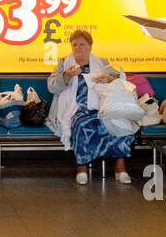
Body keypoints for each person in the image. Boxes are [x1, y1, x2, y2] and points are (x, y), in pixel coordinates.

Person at [46, 29, 133, 185]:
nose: (78, 47)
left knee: (121, 121)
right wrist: (66, 76)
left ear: (90, 46)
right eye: (74, 45)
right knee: (82, 124)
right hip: (75, 110)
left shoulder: (102, 63)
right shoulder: (64, 64)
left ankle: (120, 167)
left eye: (82, 44)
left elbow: (120, 81)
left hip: (101, 107)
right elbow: (52, 87)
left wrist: (108, 79)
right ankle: (82, 167)